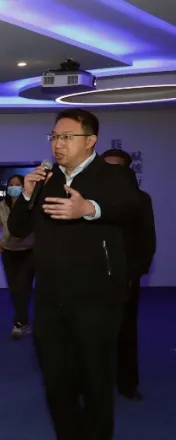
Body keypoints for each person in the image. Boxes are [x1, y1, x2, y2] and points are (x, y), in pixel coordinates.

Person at [8, 109, 140, 440]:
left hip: (96, 300)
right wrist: (27, 194)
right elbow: (18, 229)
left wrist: (89, 209)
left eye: (67, 136)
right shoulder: (46, 178)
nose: (58, 144)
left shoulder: (113, 176)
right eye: (54, 136)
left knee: (96, 385)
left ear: (90, 140)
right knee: (57, 384)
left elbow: (129, 208)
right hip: (51, 300)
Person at [100, 148, 156, 401]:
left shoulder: (140, 200)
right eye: (107, 167)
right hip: (91, 276)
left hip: (126, 277)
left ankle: (127, 384)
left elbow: (148, 239)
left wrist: (137, 271)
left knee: (126, 331)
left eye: (118, 168)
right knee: (90, 333)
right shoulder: (88, 198)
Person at [0, 174, 35, 339]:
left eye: (18, 184)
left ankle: (19, 322)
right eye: (11, 184)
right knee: (14, 288)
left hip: (30, 251)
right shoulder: (2, 205)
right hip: (9, 251)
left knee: (23, 285)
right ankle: (23, 321)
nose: (14, 187)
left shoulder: (32, 204)